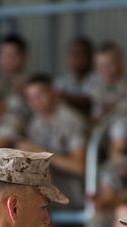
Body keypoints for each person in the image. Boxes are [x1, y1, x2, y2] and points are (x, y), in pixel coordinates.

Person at [17, 74, 88, 207]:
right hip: (46, 184)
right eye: (30, 98)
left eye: (39, 95)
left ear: (54, 93)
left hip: (72, 187)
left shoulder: (71, 120)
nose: (35, 101)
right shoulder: (35, 122)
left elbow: (80, 166)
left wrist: (40, 152)